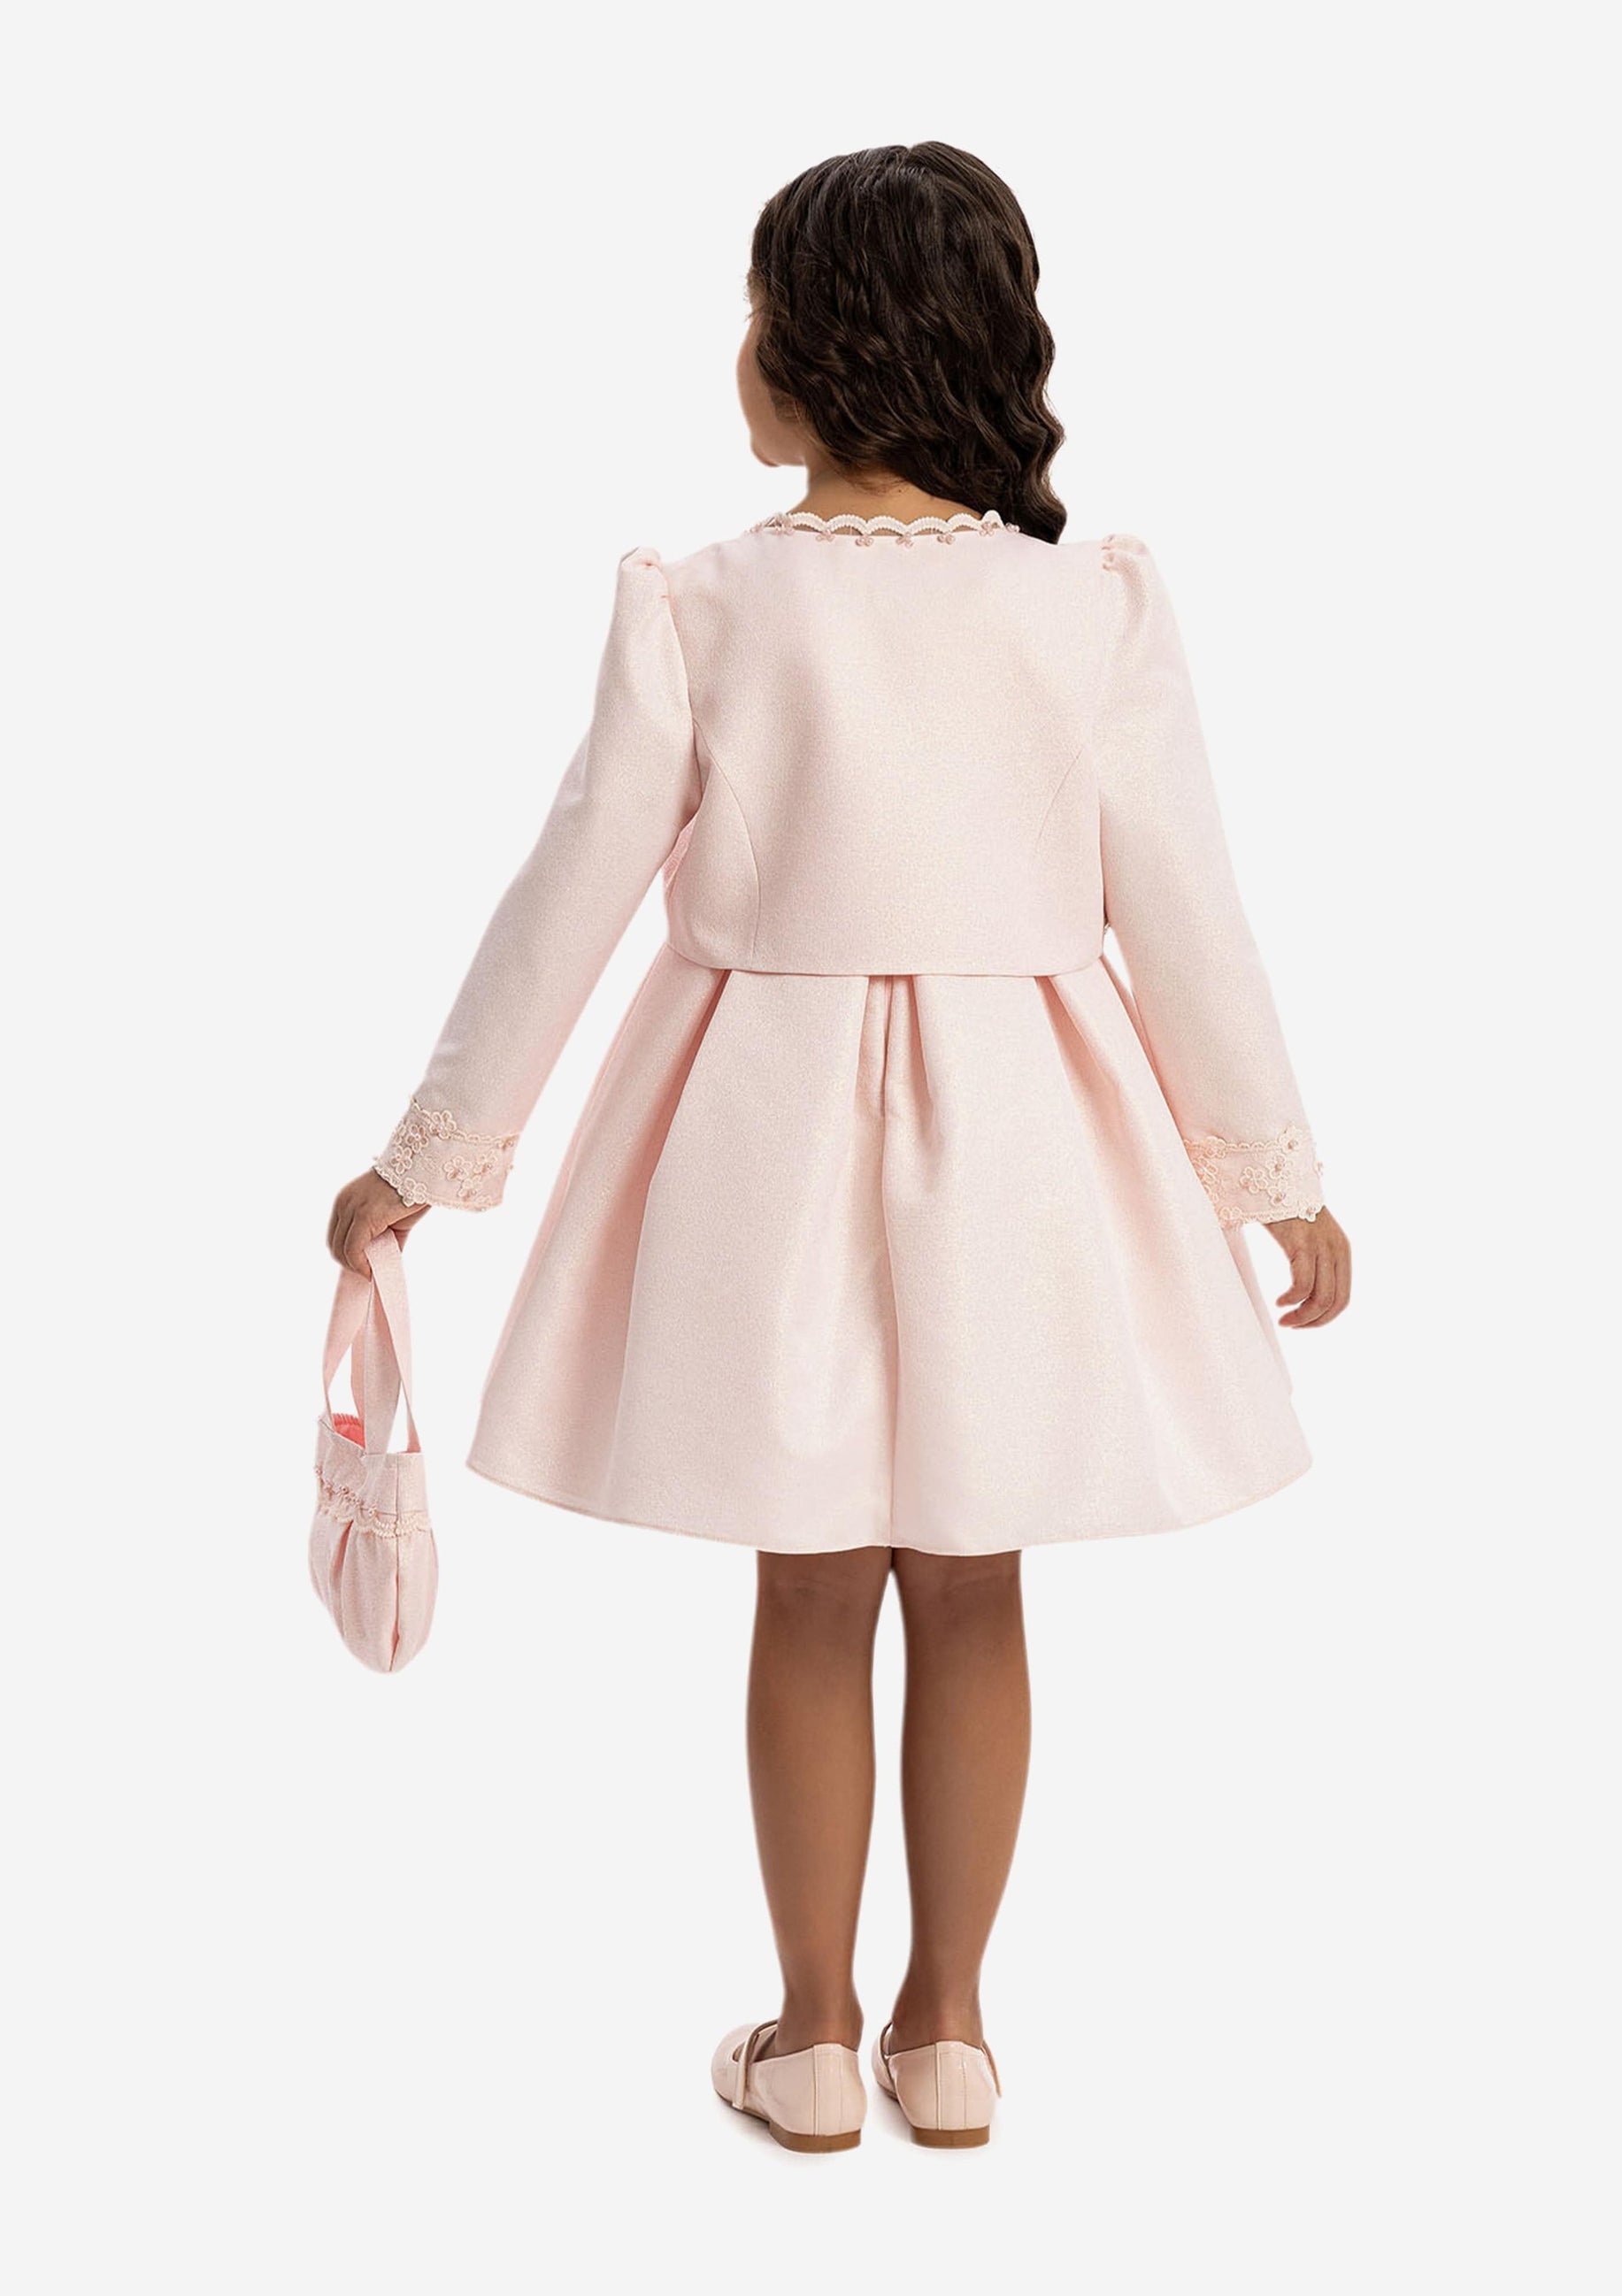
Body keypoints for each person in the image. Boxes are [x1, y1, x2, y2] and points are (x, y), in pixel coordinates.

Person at [325, 141, 1351, 2153]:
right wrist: (1269, 1169)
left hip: (762, 1148)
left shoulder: (703, 607)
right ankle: (946, 2030)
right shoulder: (1081, 608)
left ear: (824, 344)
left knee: (808, 1586)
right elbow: (1184, 904)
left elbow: (570, 892)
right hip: (1024, 1147)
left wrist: (431, 1156)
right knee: (972, 1581)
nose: (738, 347)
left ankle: (809, 2038)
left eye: (756, 308)